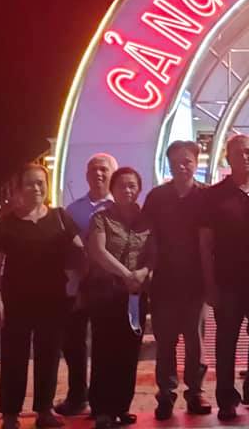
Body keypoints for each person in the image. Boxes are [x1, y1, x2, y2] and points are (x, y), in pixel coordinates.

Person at [0, 163, 84, 429]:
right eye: (30, 183)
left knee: (49, 355)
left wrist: (75, 281)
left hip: (53, 300)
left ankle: (45, 409)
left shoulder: (60, 218)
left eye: (41, 182)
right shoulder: (7, 224)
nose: (36, 188)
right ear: (19, 188)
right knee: (13, 357)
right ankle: (10, 413)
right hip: (16, 300)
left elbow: (80, 251)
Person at [197, 134, 249, 419]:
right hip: (227, 281)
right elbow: (205, 244)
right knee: (226, 340)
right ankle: (226, 397)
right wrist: (209, 284)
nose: (246, 157)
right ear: (228, 158)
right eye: (239, 153)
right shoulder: (213, 196)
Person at [143, 141, 212, 419]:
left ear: (196, 163)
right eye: (176, 162)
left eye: (187, 161)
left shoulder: (206, 196)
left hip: (196, 282)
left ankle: (195, 392)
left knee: (195, 341)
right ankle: (166, 395)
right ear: (169, 165)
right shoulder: (157, 197)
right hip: (164, 282)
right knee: (166, 342)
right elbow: (146, 237)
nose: (182, 166)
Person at [84, 167, 151, 429]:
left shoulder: (147, 220)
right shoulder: (101, 218)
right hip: (106, 294)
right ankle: (102, 409)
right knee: (105, 351)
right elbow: (98, 251)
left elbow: (154, 253)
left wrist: (143, 273)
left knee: (129, 351)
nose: (127, 190)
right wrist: (126, 274)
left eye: (132, 185)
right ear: (112, 190)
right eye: (122, 185)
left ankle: (122, 405)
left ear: (139, 189)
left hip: (135, 295)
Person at [56, 153, 118, 417]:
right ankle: (77, 395)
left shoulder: (120, 208)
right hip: (77, 286)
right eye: (93, 169)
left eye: (104, 169)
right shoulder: (72, 210)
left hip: (108, 286)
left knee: (105, 343)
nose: (98, 174)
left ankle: (102, 398)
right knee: (73, 344)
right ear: (86, 175)